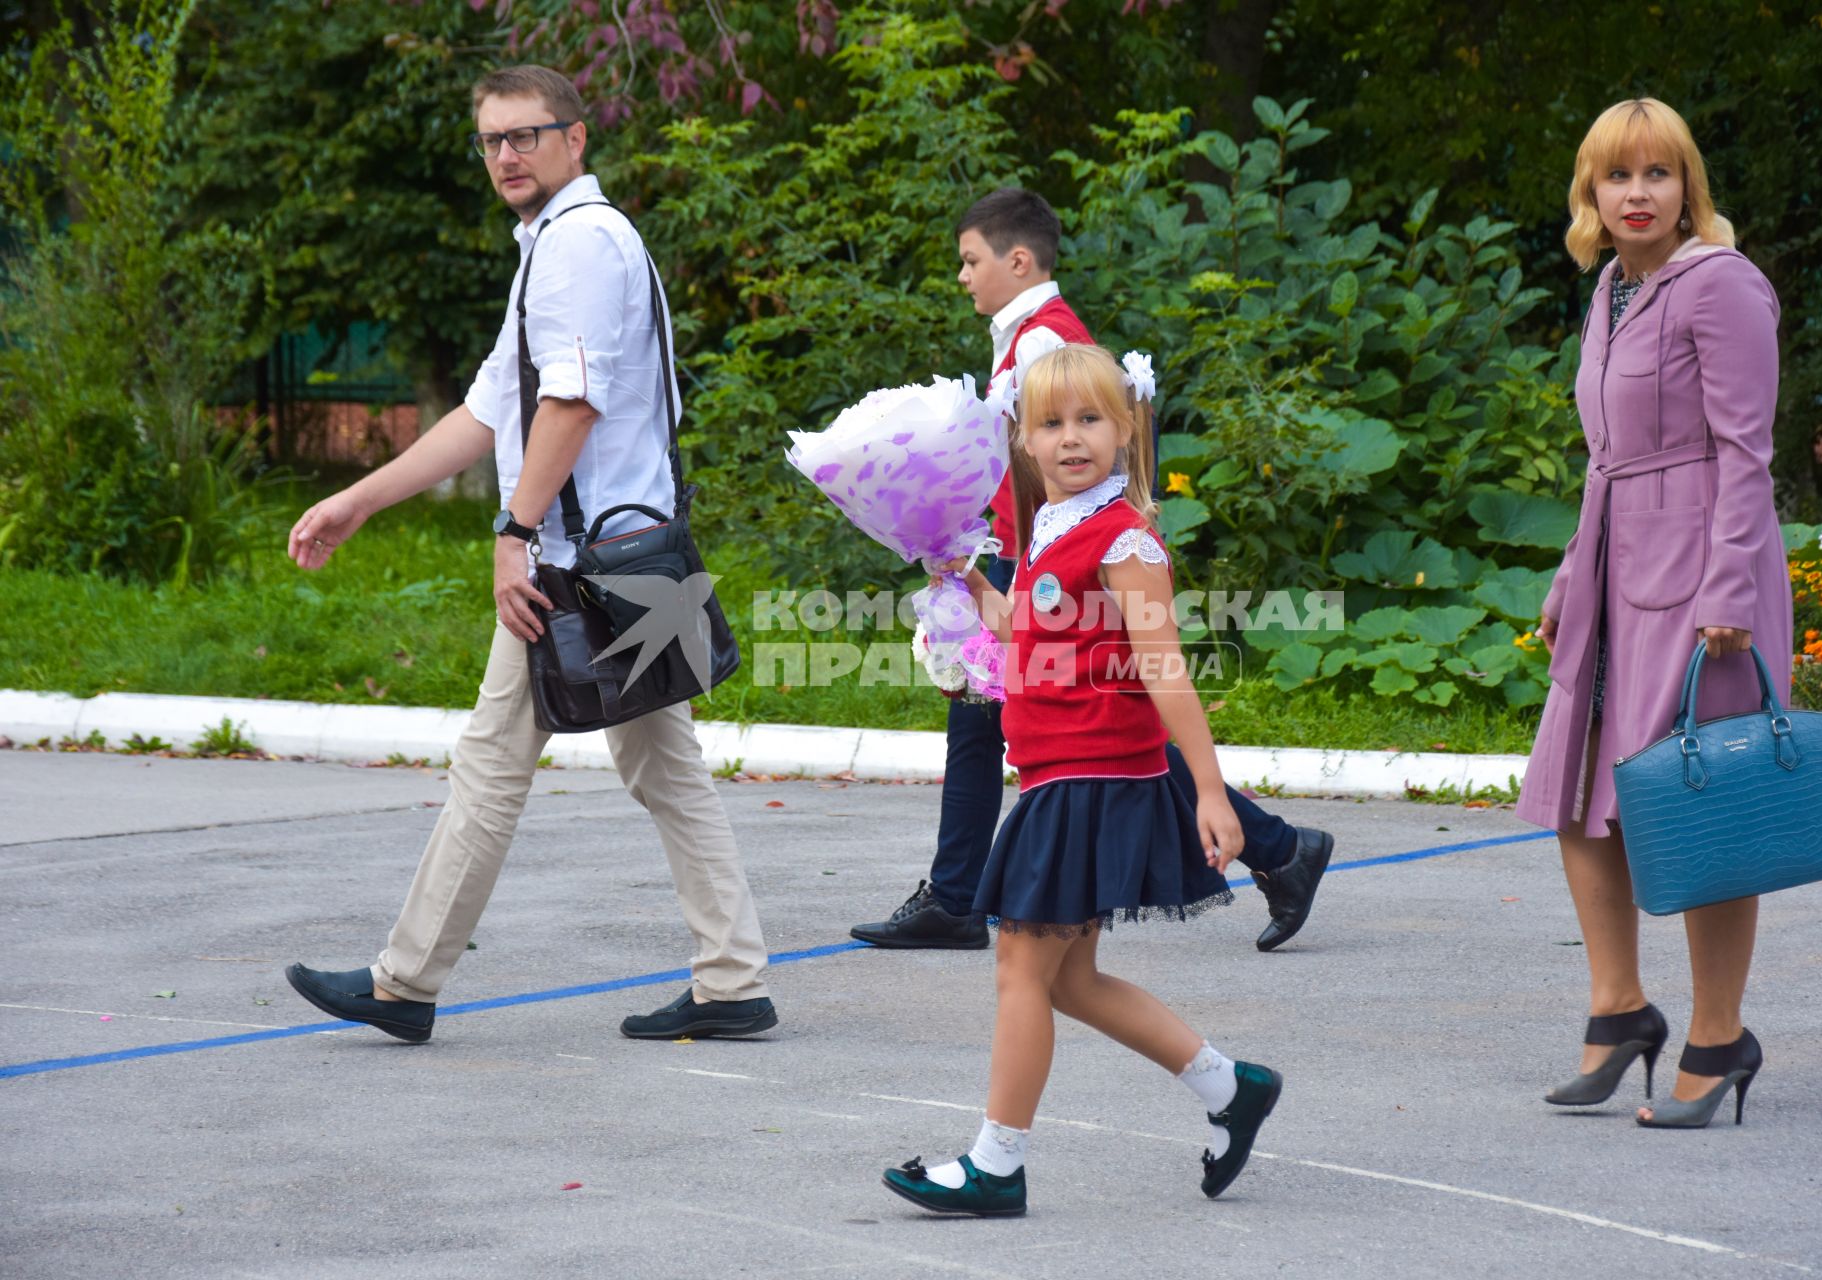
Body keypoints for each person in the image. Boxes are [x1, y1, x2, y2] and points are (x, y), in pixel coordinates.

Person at [280, 65, 776, 1045]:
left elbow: (572, 404)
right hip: (620, 557)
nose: (507, 154)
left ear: (575, 138)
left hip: (584, 563)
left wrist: (514, 534)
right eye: (493, 139)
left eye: (527, 135)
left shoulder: (580, 246)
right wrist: (359, 499)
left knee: (501, 764)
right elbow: (486, 412)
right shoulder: (552, 246)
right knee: (648, 766)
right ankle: (731, 978)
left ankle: (407, 980)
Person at [850, 187, 1334, 954]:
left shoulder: (1047, 344)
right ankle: (1275, 848)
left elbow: (1066, 468)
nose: (963, 276)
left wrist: (1017, 550)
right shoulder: (1023, 335)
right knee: (1045, 715)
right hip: (1031, 547)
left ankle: (958, 894)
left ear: (1017, 259)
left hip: (1052, 551)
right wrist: (965, 564)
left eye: (970, 260)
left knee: (1094, 717)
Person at [882, 344, 1282, 1217]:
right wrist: (963, 577)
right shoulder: (1053, 529)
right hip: (1060, 776)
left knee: (1021, 969)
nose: (1072, 439)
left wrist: (1211, 792)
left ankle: (997, 1165)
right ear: (1022, 442)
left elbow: (1166, 668)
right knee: (1068, 980)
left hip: (1093, 780)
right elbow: (1025, 634)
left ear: (1128, 426)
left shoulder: (1126, 537)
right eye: (1051, 424)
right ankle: (1230, 1089)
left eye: (1091, 420)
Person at [1517, 98, 1788, 1128]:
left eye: (1657, 174)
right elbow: (1609, 459)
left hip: (1703, 575)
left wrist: (1728, 587)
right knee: (1581, 794)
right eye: (1616, 176)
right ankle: (1620, 1007)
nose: (1637, 193)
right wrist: (1566, 574)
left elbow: (1747, 450)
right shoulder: (1613, 292)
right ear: (1591, 193)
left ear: (1688, 189)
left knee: (1701, 805)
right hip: (1612, 569)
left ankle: (1721, 1035)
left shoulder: (1720, 286)